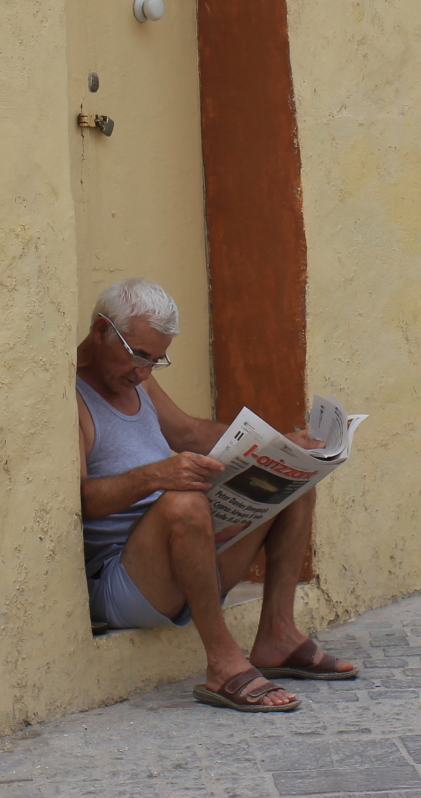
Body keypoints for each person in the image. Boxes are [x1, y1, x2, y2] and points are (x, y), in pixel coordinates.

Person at [76, 277, 358, 712]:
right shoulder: (71, 396)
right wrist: (152, 477)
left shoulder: (136, 380)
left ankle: (277, 635)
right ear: (100, 332)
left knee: (292, 482)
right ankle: (224, 662)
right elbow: (82, 503)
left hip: (188, 559)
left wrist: (278, 445)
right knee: (183, 502)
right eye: (136, 356)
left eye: (155, 360)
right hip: (125, 581)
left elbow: (188, 432)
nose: (143, 372)